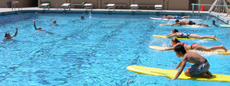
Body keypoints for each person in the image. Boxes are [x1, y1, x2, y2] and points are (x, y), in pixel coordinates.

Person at [161, 38, 228, 52]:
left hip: (193, 47)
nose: (171, 44)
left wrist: (164, 49)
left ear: (174, 42)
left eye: (172, 42)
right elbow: (171, 46)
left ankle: (221, 46)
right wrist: (167, 46)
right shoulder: (179, 43)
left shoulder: (178, 44)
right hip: (193, 45)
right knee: (208, 48)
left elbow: (172, 48)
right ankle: (220, 47)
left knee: (208, 49)